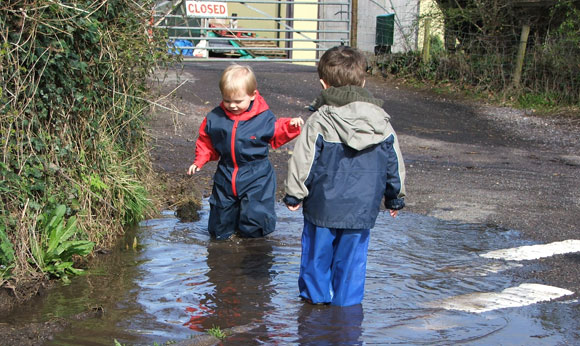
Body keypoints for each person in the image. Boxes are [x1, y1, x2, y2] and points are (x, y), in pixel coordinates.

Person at [283, 46, 406, 306]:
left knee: (316, 260)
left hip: (322, 207)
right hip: (361, 209)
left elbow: (303, 160)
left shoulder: (319, 120)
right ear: (363, 81)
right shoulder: (382, 122)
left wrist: (295, 193)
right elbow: (394, 162)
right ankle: (346, 321)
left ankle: (314, 315)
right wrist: (394, 197)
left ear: (323, 83)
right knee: (352, 266)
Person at [188, 64, 304, 240]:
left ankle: (253, 250)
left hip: (256, 174)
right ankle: (223, 247)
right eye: (227, 101)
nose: (232, 105)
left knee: (254, 217)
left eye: (238, 101)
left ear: (252, 95)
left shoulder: (263, 117)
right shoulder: (216, 117)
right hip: (226, 173)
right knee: (220, 221)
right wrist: (199, 161)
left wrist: (290, 125)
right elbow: (206, 140)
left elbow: (276, 131)